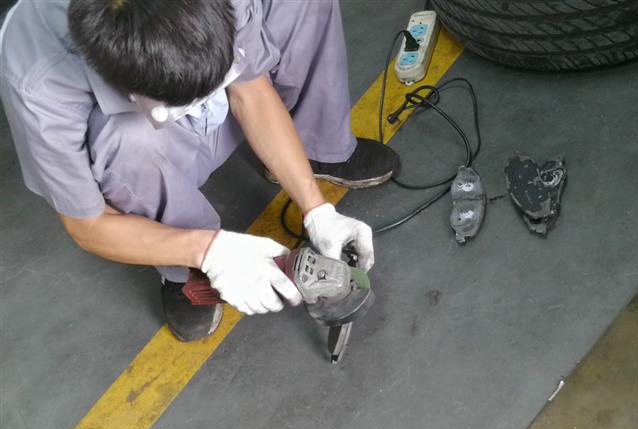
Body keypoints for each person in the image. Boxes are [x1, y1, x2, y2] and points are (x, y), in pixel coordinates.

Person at [0, 0, 399, 341]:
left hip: (221, 103)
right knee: (123, 138)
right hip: (153, 151)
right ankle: (188, 271)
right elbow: (86, 224)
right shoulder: (37, 79)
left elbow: (250, 91)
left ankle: (316, 147)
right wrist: (208, 251)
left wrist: (316, 209)